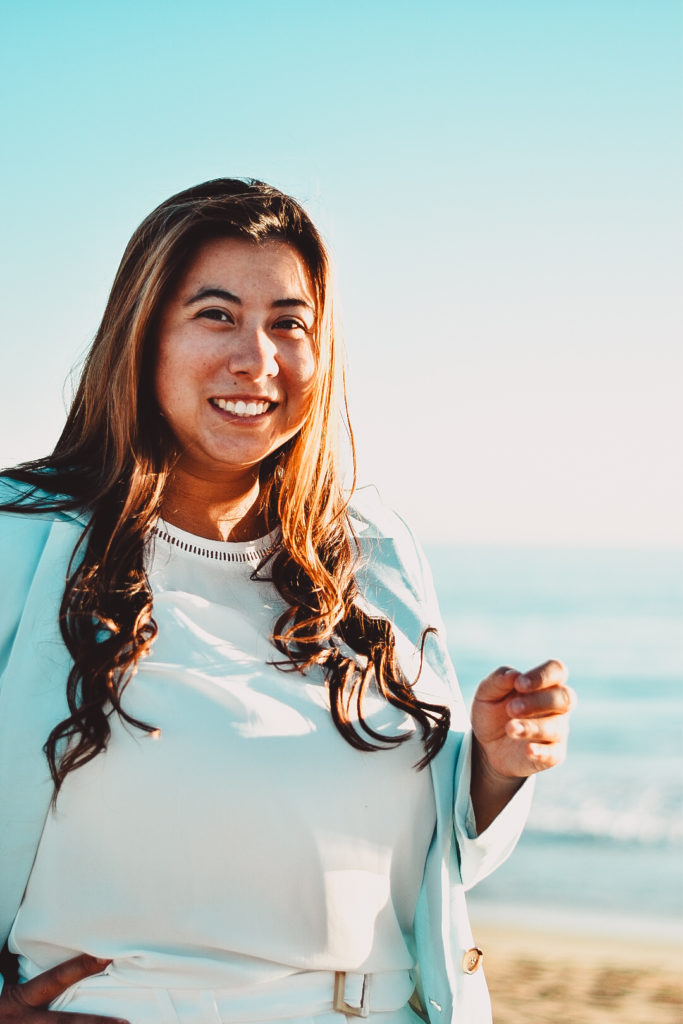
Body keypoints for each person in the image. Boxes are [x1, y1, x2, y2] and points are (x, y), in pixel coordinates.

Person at [0, 178, 573, 1024]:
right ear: (144, 335)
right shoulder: (22, 536)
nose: (256, 360)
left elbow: (432, 862)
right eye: (216, 314)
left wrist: (494, 766)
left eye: (288, 324)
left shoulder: (370, 551)